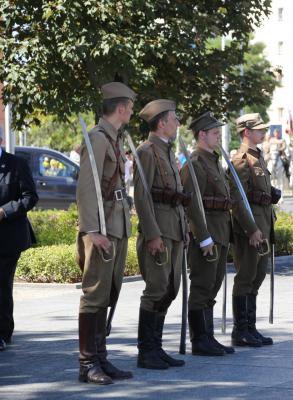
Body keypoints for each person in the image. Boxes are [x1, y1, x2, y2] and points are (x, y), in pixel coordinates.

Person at [76, 82, 136, 384]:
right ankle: (87, 364)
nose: (133, 110)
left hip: (116, 225)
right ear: (121, 108)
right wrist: (93, 231)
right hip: (102, 228)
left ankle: (100, 357)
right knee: (95, 295)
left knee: (109, 293)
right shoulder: (98, 140)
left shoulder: (115, 137)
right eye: (131, 105)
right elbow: (87, 189)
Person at [134, 99, 188, 370]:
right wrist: (153, 234)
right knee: (156, 289)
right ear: (162, 122)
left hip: (174, 230)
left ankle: (156, 347)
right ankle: (146, 351)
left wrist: (184, 229)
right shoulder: (147, 151)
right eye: (174, 118)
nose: (178, 123)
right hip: (159, 232)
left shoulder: (166, 151)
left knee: (171, 289)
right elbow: (142, 196)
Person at [180, 111, 235, 357]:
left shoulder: (213, 161)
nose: (218, 136)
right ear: (201, 135)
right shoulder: (194, 164)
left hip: (221, 231)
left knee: (214, 285)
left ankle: (208, 336)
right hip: (208, 234)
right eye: (214, 133)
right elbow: (192, 206)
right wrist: (203, 237)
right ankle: (199, 340)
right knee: (202, 286)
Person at [229, 113, 276, 348]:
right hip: (250, 231)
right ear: (246, 132)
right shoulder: (241, 160)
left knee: (257, 276)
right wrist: (251, 229)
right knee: (246, 277)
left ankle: (250, 327)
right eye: (259, 130)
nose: (263, 133)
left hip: (263, 226)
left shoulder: (258, 158)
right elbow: (237, 201)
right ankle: (240, 330)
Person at [0, 131, 38, 352]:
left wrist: (5, 212)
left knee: (2, 286)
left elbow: (29, 196)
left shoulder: (16, 164)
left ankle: (3, 333)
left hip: (8, 237)